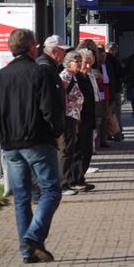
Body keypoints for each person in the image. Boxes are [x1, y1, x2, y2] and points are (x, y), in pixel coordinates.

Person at [0, 29, 64, 263]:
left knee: (22, 197)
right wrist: (56, 132)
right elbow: (50, 108)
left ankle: (28, 252)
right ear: (32, 47)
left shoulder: (0, 76)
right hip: (37, 141)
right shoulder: (40, 72)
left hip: (10, 144)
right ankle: (33, 237)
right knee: (51, 190)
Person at [58, 51, 85, 196]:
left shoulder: (73, 76)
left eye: (81, 61)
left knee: (70, 149)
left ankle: (67, 181)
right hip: (67, 117)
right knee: (66, 149)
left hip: (73, 116)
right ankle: (63, 184)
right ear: (69, 63)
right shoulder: (66, 76)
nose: (80, 64)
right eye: (77, 61)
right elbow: (62, 97)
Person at [72, 49, 98, 192]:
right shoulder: (75, 78)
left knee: (87, 151)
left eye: (90, 64)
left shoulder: (86, 77)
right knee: (79, 151)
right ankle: (75, 179)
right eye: (86, 63)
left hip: (88, 119)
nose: (88, 67)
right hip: (79, 120)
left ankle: (80, 178)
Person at [104, 42, 125, 141]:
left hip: (105, 91)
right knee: (116, 113)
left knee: (107, 114)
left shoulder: (101, 61)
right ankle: (117, 133)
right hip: (114, 89)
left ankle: (108, 134)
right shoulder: (114, 60)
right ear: (113, 50)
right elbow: (120, 73)